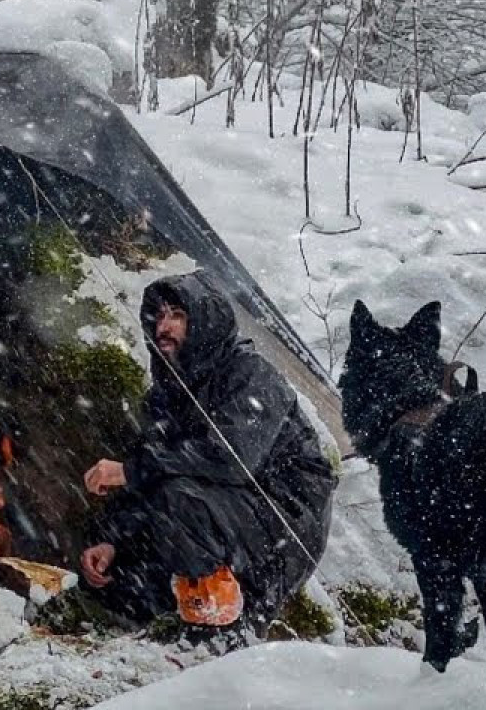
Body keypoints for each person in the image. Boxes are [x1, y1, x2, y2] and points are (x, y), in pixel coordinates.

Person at [78, 270, 335, 632]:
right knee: (126, 560)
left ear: (204, 322)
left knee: (180, 499)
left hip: (285, 520)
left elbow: (230, 458)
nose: (164, 326)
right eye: (160, 316)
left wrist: (129, 471)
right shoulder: (167, 395)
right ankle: (165, 626)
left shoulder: (250, 374)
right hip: (224, 510)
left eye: (177, 316)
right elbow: (155, 469)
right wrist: (113, 541)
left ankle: (221, 630)